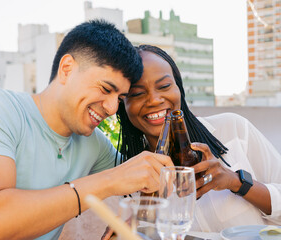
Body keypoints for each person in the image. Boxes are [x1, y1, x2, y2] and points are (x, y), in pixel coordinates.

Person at [0, 21, 173, 240]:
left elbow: (144, 176)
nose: (111, 108)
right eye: (105, 89)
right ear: (67, 69)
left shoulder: (93, 144)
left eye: (120, 97)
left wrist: (206, 167)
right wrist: (109, 181)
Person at [116, 45, 281, 232]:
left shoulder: (233, 130)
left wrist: (236, 181)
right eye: (137, 93)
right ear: (122, 104)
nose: (154, 100)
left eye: (164, 86)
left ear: (179, 89)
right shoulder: (129, 180)